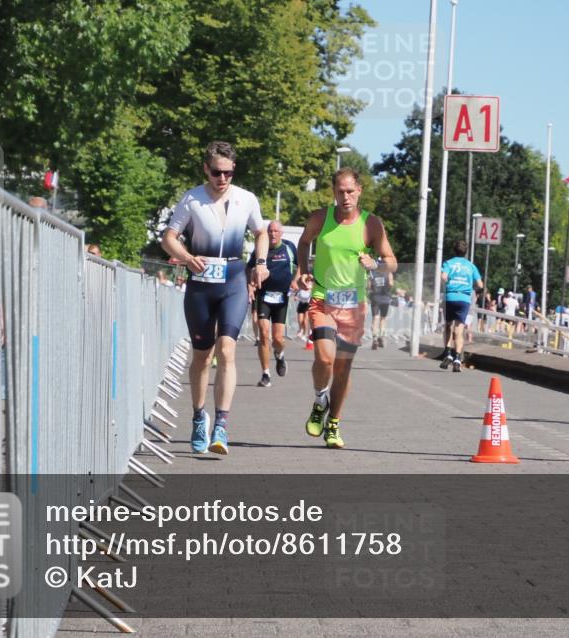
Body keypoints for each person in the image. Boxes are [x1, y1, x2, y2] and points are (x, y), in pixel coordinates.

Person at [161, 141, 268, 455]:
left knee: (227, 349)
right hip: (200, 283)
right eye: (217, 173)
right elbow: (169, 237)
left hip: (233, 279)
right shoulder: (192, 199)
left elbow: (261, 231)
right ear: (206, 170)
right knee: (202, 356)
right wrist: (185, 256)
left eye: (229, 173)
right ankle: (198, 416)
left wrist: (260, 264)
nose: (223, 179)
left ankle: (221, 424)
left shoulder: (246, 199)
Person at [294, 168, 397, 449]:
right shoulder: (320, 218)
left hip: (353, 304)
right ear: (333, 192)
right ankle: (319, 400)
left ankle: (334, 424)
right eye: (340, 191)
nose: (345, 196)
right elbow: (303, 243)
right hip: (322, 298)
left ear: (360, 191)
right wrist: (303, 270)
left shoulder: (371, 224)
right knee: (325, 359)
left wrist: (374, 264)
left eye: (350, 191)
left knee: (343, 368)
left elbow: (391, 261)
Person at [248, 220, 297, 387]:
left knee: (277, 338)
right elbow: (249, 268)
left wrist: (296, 281)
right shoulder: (260, 249)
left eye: (276, 231)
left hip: (281, 298)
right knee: (263, 332)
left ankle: (280, 354)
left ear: (281, 233)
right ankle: (265, 374)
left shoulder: (289, 247)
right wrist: (250, 284)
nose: (273, 234)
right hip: (263, 296)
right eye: (270, 231)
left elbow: (300, 267)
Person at [439, 240, 484, 372]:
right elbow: (480, 285)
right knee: (459, 329)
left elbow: (443, 277)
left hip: (450, 296)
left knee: (448, 325)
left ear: (454, 250)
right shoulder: (471, 266)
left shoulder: (448, 263)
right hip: (464, 298)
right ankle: (458, 358)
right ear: (466, 252)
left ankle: (447, 353)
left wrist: (449, 282)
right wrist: (470, 288)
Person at [368, 266, 394, 349]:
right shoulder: (388, 273)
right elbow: (391, 284)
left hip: (375, 297)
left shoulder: (372, 273)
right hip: (385, 298)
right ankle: (381, 336)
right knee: (383, 319)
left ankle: (374, 338)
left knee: (375, 318)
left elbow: (368, 286)